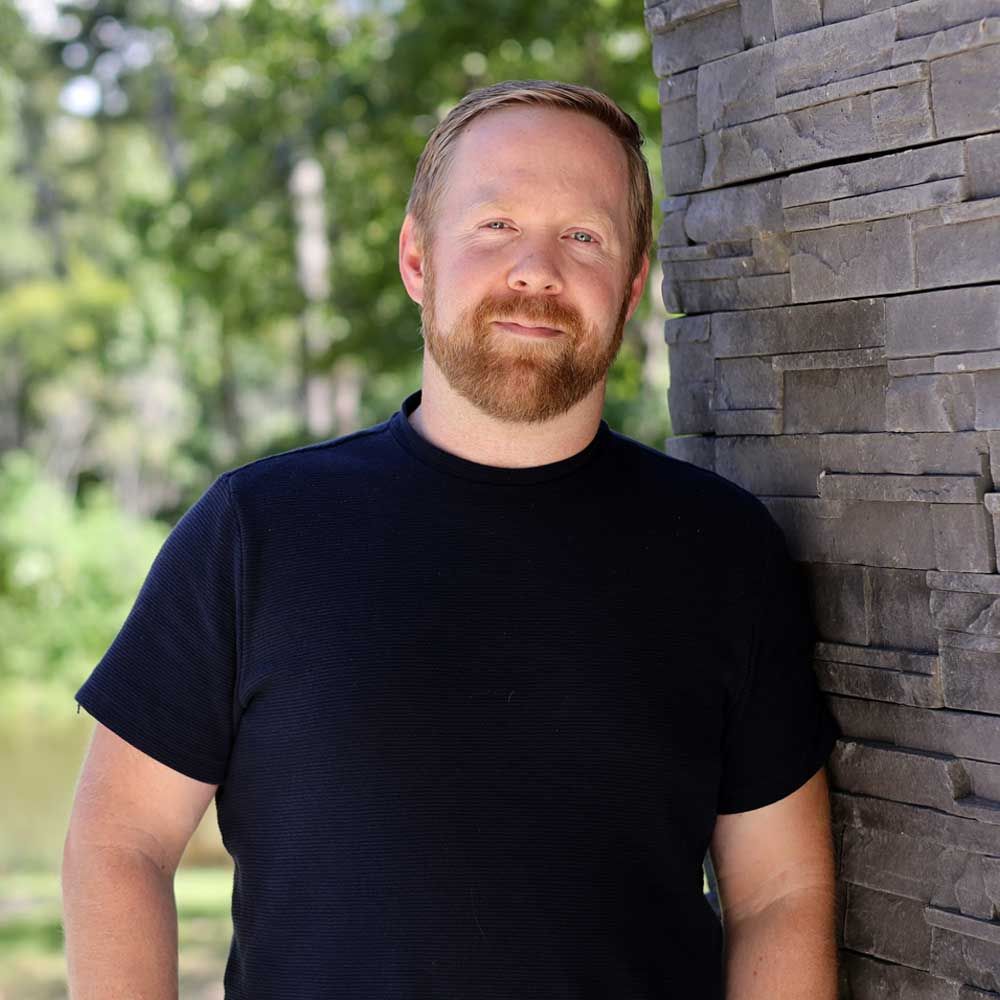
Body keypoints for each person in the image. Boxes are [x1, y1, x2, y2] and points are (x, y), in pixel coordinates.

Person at [62, 80, 842, 999]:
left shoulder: (723, 551)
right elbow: (121, 845)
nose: (537, 271)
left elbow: (780, 895)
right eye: (496, 224)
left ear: (632, 284)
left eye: (583, 236)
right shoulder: (256, 533)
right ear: (417, 259)